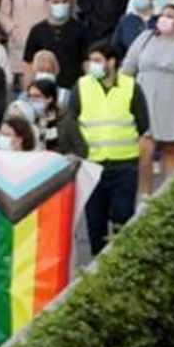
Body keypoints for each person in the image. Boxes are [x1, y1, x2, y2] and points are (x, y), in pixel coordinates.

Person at [65, 42, 151, 252]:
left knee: (123, 221)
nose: (92, 65)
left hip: (124, 166)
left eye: (97, 60)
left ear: (111, 62)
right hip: (92, 168)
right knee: (96, 226)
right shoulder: (82, 87)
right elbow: (69, 123)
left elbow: (143, 125)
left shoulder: (131, 87)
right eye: (90, 61)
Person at [121, 4, 174, 195]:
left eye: (171, 16)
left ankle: (172, 195)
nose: (165, 19)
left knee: (172, 153)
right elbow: (128, 67)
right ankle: (145, 195)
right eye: (163, 15)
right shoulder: (145, 39)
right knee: (145, 151)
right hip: (145, 101)